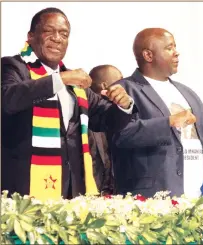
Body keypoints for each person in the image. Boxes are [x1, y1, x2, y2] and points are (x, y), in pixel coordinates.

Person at [1, 8, 133, 200]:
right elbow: (8, 99)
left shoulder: (76, 83)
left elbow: (106, 119)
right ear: (30, 36)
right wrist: (59, 79)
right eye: (49, 31)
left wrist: (124, 105)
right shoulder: (12, 67)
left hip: (72, 190)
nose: (57, 38)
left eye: (64, 34)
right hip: (24, 189)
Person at [113, 28, 203, 198]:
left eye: (175, 47)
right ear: (148, 55)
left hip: (202, 197)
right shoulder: (125, 89)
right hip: (156, 199)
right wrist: (168, 123)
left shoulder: (187, 92)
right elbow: (121, 135)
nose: (176, 53)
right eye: (169, 48)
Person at [89, 65, 124, 196]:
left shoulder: (121, 114)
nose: (124, 85)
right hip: (87, 197)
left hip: (115, 195)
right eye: (120, 80)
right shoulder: (81, 115)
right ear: (104, 86)